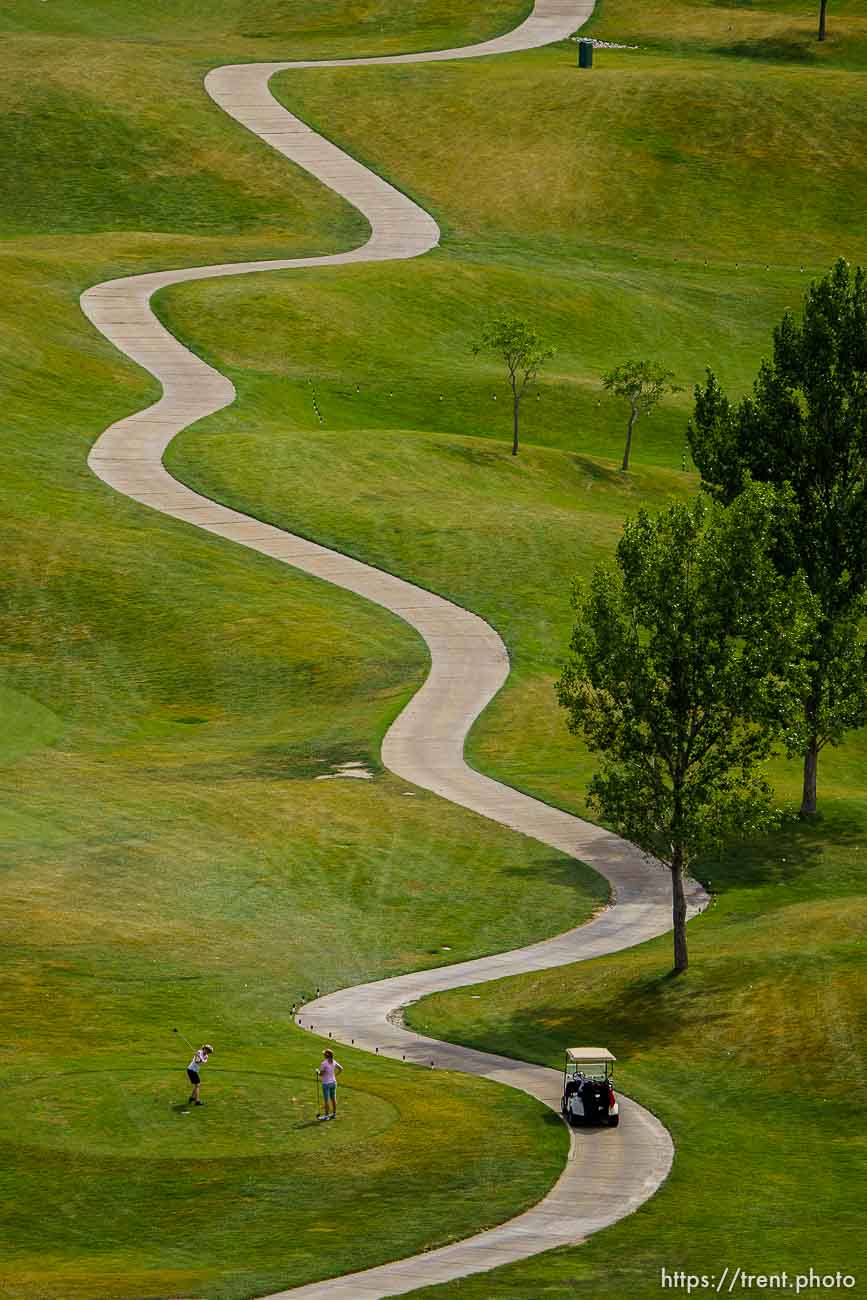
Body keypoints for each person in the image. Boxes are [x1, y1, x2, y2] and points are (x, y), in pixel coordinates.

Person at [317, 1048, 342, 1121]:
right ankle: (334, 1114)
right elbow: (341, 1069)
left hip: (326, 1084)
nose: (323, 1054)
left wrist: (317, 1072)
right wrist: (335, 1075)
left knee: (326, 1100)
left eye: (324, 1053)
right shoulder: (333, 1062)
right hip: (333, 1083)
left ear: (326, 1055)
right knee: (333, 1099)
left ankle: (326, 1116)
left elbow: (321, 1074)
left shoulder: (324, 1063)